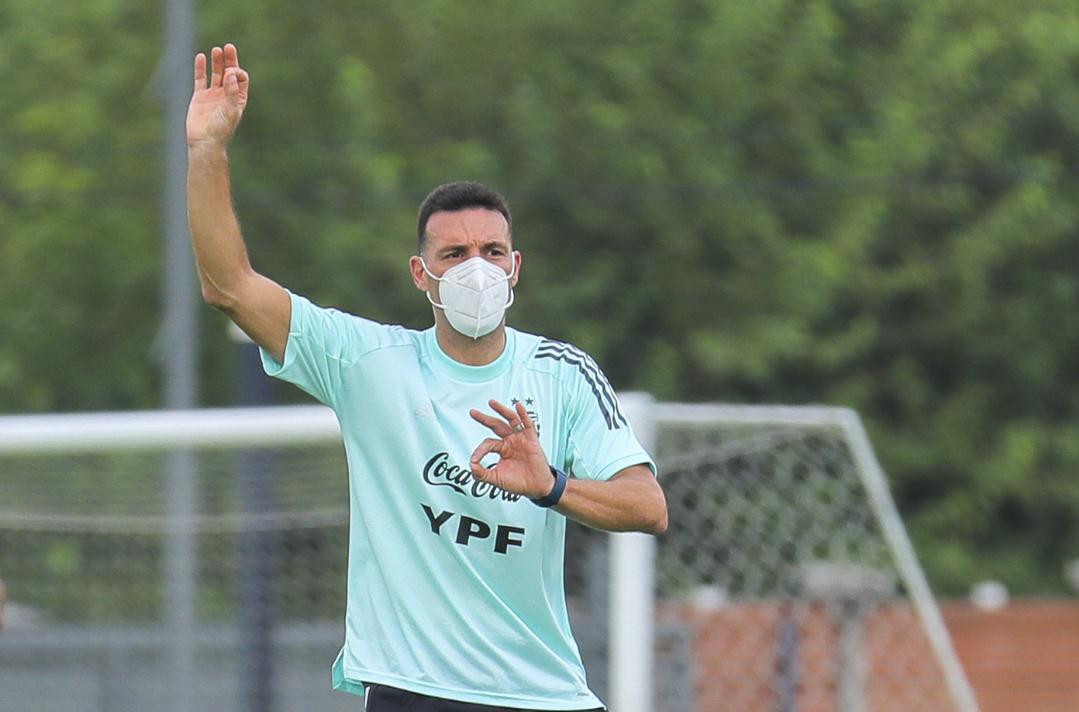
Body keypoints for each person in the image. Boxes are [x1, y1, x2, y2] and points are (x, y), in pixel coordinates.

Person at [186, 43, 667, 712]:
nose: (478, 268)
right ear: (422, 274)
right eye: (455, 253)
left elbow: (647, 506)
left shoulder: (560, 373)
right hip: (412, 690)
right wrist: (206, 150)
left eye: (492, 251)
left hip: (542, 694)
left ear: (515, 267)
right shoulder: (366, 362)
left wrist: (550, 484)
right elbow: (230, 287)